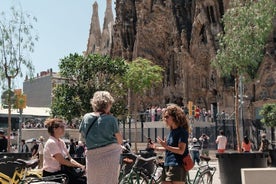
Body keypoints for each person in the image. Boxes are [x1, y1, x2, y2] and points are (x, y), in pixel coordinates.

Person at [79, 91, 123, 184]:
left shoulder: (86, 117)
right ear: (108, 104)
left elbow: (82, 137)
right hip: (111, 156)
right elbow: (120, 140)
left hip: (92, 157)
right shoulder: (111, 119)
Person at [43, 118, 86, 184]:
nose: (64, 129)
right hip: (52, 175)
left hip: (62, 172)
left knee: (84, 179)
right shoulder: (51, 142)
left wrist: (81, 166)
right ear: (54, 129)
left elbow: (70, 159)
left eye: (64, 126)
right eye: (62, 127)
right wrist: (77, 166)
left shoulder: (61, 142)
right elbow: (62, 161)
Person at [154, 104, 189, 184]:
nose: (164, 119)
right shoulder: (171, 132)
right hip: (167, 164)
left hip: (177, 165)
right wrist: (157, 148)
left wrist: (166, 146)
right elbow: (170, 148)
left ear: (174, 117)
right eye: (164, 117)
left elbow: (181, 150)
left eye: (167, 117)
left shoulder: (182, 132)